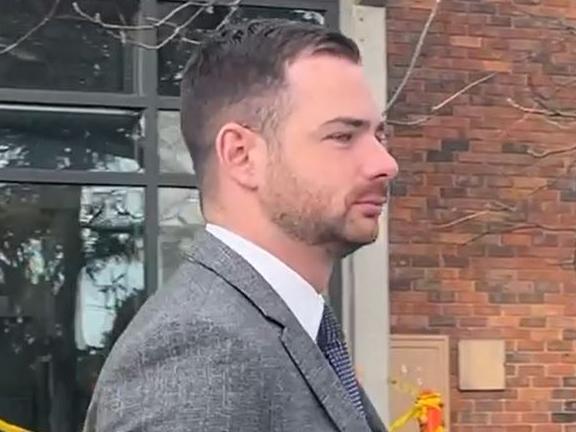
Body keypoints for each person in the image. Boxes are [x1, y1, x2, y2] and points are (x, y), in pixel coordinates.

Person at [83, 18, 398, 432]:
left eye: (380, 135)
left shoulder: (284, 327)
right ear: (241, 155)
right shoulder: (200, 350)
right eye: (342, 136)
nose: (385, 164)